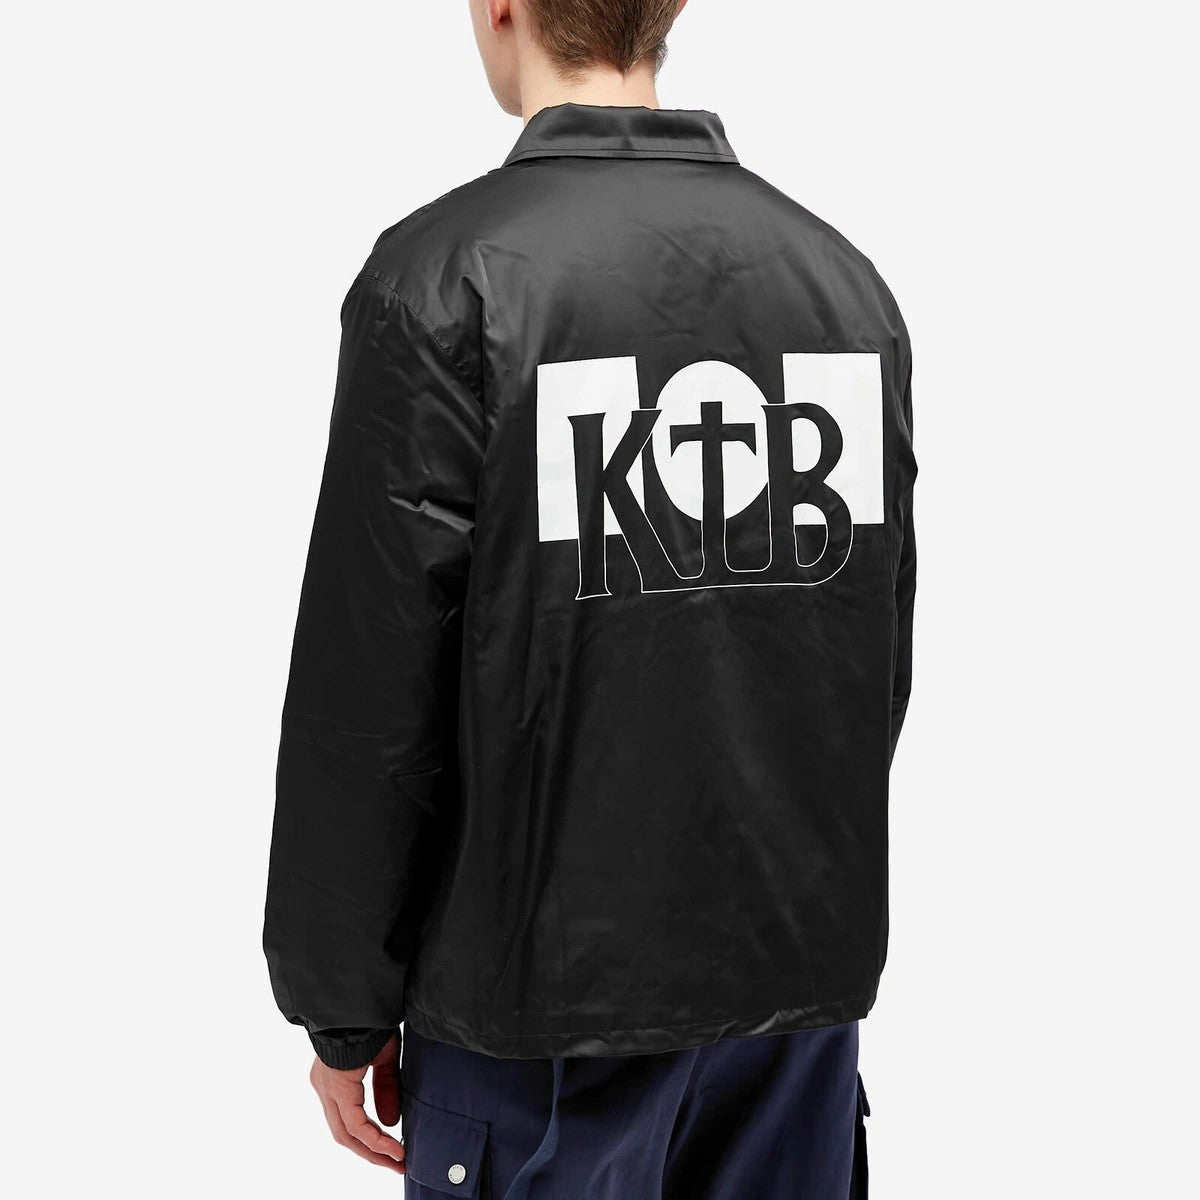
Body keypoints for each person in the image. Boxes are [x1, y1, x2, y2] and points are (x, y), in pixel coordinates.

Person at [264, 0, 916, 1195]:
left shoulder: (442, 283)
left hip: (537, 1023)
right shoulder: (840, 283)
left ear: (501, 8)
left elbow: (367, 701)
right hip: (795, 1013)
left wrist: (341, 1011)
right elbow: (866, 655)